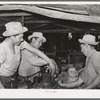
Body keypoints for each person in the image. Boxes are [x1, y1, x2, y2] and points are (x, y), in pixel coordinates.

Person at [0, 22, 55, 88]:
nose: (22, 39)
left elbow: (34, 50)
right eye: (20, 37)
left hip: (14, 75)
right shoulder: (2, 48)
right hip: (4, 78)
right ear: (12, 36)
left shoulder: (19, 43)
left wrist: (49, 61)